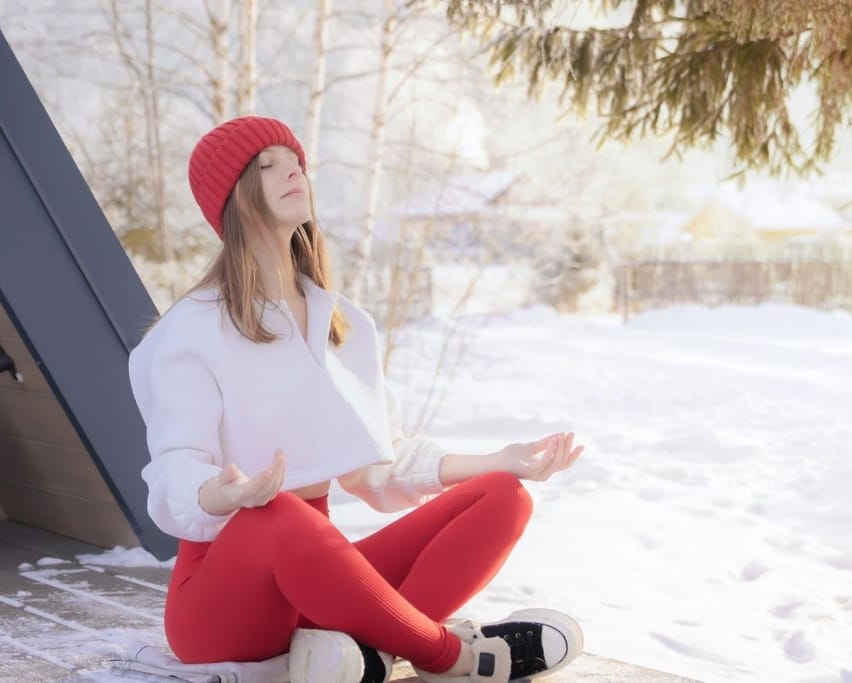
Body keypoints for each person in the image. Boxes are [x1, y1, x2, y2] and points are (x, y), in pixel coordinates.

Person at [127, 116, 586, 683]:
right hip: (221, 601)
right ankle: (455, 657)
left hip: (317, 581)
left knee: (502, 498)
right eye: (267, 165)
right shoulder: (191, 332)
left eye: (294, 159)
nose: (293, 168)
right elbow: (171, 478)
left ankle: (364, 653)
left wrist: (498, 461)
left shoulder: (345, 324)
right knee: (276, 513)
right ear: (233, 199)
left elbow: (378, 465)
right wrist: (223, 493)